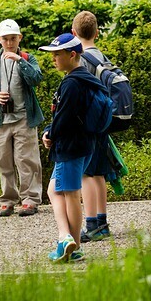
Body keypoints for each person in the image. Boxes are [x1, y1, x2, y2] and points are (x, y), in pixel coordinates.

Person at [39, 32, 104, 263]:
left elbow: (64, 117)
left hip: (70, 146)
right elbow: (67, 115)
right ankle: (66, 237)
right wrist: (51, 129)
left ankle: (71, 244)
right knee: (54, 190)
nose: (53, 58)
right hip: (85, 143)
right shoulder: (85, 78)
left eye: (58, 54)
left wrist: (50, 134)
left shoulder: (72, 83)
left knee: (71, 194)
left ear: (72, 54)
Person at [0, 19, 45, 217]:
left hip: (24, 118)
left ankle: (30, 200)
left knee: (27, 160)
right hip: (1, 119)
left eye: (13, 38)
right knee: (3, 160)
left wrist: (19, 61)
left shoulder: (27, 58)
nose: (9, 43)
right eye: (5, 39)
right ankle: (7, 200)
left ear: (19, 38)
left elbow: (36, 78)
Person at [72, 11, 115, 242]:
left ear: (73, 33)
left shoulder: (81, 59)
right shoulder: (102, 57)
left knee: (86, 174)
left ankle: (90, 224)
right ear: (97, 33)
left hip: (88, 124)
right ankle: (102, 222)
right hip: (103, 122)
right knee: (99, 173)